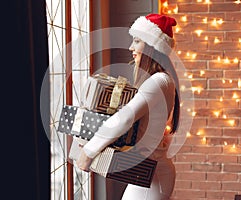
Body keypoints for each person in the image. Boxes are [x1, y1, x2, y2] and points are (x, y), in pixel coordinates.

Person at [76, 13, 180, 200]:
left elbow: (125, 118)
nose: (131, 47)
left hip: (152, 176)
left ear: (152, 47)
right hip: (149, 172)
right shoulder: (160, 80)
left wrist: (88, 151)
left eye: (137, 41)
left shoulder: (158, 81)